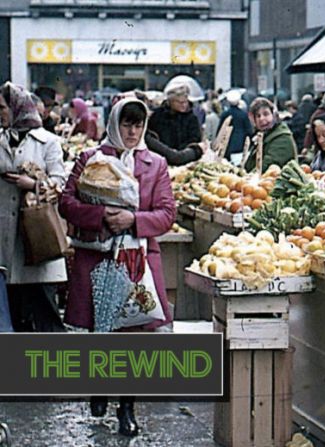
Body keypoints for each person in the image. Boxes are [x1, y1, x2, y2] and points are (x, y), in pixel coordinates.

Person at [59, 97, 176, 437]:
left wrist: (133, 220)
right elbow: (66, 202)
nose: (132, 131)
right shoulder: (90, 159)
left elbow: (167, 213)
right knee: (102, 329)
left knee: (132, 336)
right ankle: (99, 386)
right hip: (96, 257)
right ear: (115, 123)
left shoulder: (156, 164)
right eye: (126, 124)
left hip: (136, 261)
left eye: (138, 125)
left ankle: (127, 406)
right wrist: (102, 217)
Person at [0, 82, 67, 332]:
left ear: (18, 108)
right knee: (14, 316)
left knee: (46, 312)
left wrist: (33, 184)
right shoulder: (1, 139)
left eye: (3, 107)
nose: (0, 113)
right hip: (6, 241)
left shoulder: (48, 142)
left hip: (38, 239)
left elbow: (60, 184)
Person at [244, 98, 297, 172]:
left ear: (274, 115)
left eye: (266, 114)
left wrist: (248, 177)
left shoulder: (282, 138)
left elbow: (268, 165)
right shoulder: (263, 136)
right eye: (258, 116)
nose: (262, 119)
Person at [147, 84, 202, 151]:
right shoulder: (157, 116)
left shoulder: (191, 118)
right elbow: (152, 135)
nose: (183, 105)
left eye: (185, 102)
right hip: (160, 153)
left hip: (185, 155)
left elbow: (195, 138)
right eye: (179, 102)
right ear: (170, 102)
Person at [217, 90, 252, 164]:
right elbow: (249, 131)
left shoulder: (225, 114)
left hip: (227, 145)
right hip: (240, 145)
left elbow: (220, 131)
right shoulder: (243, 114)